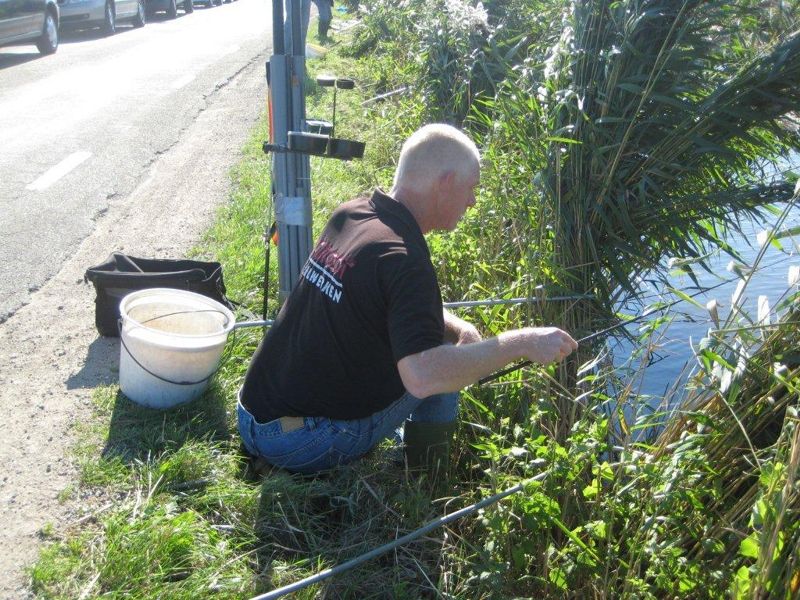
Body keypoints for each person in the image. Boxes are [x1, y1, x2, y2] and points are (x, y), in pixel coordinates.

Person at [238, 124, 578, 475]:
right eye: (471, 188)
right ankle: (425, 478)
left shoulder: (353, 214)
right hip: (298, 443)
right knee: (441, 372)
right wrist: (521, 343)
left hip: (251, 414)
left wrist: (457, 326)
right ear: (445, 183)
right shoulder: (405, 258)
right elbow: (423, 377)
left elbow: (378, 299)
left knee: (439, 353)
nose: (472, 202)